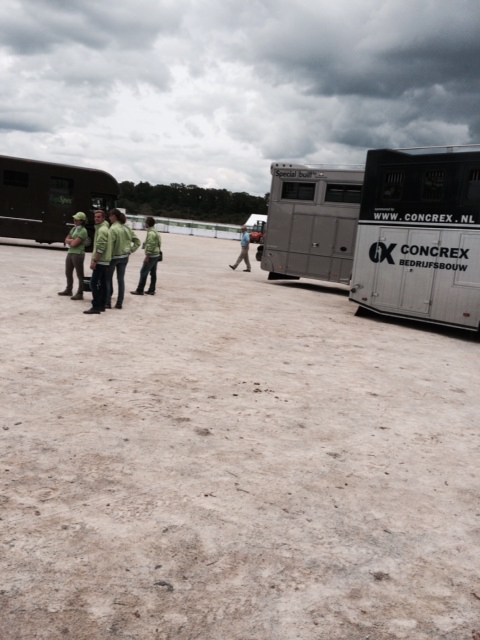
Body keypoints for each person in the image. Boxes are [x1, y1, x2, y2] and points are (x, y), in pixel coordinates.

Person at [105, 209, 140, 309]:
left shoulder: (112, 229)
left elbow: (110, 246)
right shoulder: (127, 228)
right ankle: (119, 303)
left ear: (114, 216)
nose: (109, 218)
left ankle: (107, 302)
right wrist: (130, 250)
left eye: (110, 216)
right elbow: (137, 242)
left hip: (113, 257)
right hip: (124, 257)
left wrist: (107, 258)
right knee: (121, 280)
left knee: (108, 279)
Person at [83, 210, 112, 315]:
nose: (96, 218)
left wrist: (95, 261)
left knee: (93, 283)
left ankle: (96, 306)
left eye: (99, 217)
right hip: (105, 261)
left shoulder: (102, 230)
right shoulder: (105, 228)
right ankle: (102, 305)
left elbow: (101, 247)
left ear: (104, 218)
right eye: (95, 217)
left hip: (101, 261)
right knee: (103, 284)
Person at [58, 211, 89, 299]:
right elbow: (66, 239)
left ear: (82, 221)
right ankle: (69, 289)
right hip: (71, 252)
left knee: (79, 274)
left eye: (77, 219)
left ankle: (80, 293)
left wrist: (71, 241)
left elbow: (74, 243)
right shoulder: (74, 228)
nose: (74, 220)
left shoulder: (83, 231)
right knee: (68, 272)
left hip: (78, 253)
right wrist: (71, 240)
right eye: (74, 219)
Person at [130, 216, 162, 296]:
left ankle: (140, 290)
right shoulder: (156, 232)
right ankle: (152, 290)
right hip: (156, 254)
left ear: (148, 223)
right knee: (153, 273)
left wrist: (148, 256)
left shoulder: (151, 233)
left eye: (145, 222)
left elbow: (151, 245)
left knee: (143, 272)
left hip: (151, 255)